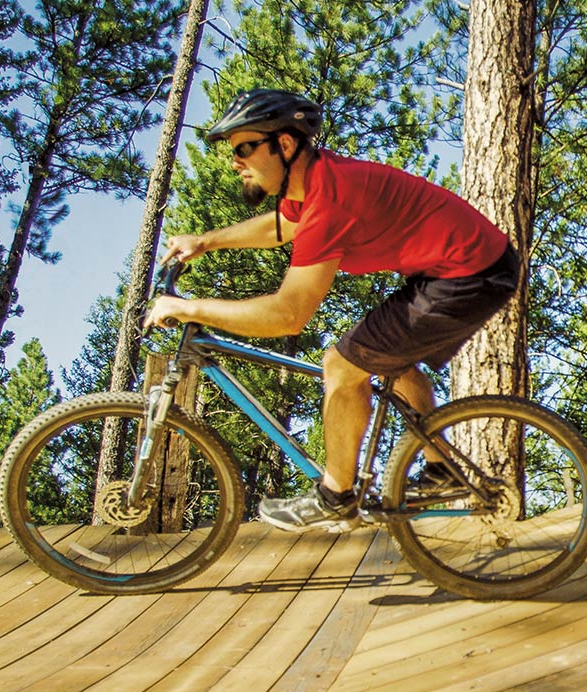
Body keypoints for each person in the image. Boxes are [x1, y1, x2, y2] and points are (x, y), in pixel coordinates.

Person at [143, 89, 520, 533]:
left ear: (284, 145)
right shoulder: (313, 181)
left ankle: (335, 495)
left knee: (341, 365)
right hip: (461, 266)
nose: (235, 161)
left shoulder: (330, 200)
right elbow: (281, 227)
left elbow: (289, 314)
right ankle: (440, 470)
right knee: (387, 360)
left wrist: (191, 309)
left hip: (470, 274)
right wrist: (206, 241)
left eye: (245, 148)